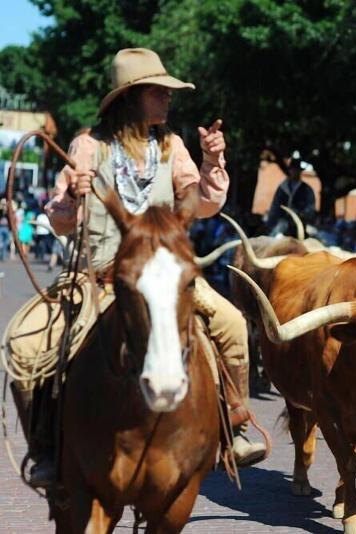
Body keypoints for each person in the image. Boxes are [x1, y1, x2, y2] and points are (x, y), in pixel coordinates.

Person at [33, 48, 265, 487]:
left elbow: (202, 204)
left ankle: (233, 425)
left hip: (164, 276)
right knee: (33, 345)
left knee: (233, 324)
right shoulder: (89, 146)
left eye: (167, 91)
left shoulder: (172, 146)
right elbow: (60, 220)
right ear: (130, 97)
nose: (167, 97)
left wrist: (211, 163)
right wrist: (73, 196)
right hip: (100, 278)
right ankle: (48, 445)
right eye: (158, 91)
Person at [263, 152, 316, 237]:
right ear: (289, 170)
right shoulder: (282, 188)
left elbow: (310, 209)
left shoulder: (306, 189)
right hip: (282, 225)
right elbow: (275, 207)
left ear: (300, 171)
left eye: (296, 169)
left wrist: (300, 214)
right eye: (292, 169)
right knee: (275, 238)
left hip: (299, 225)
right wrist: (270, 223)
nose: (294, 171)